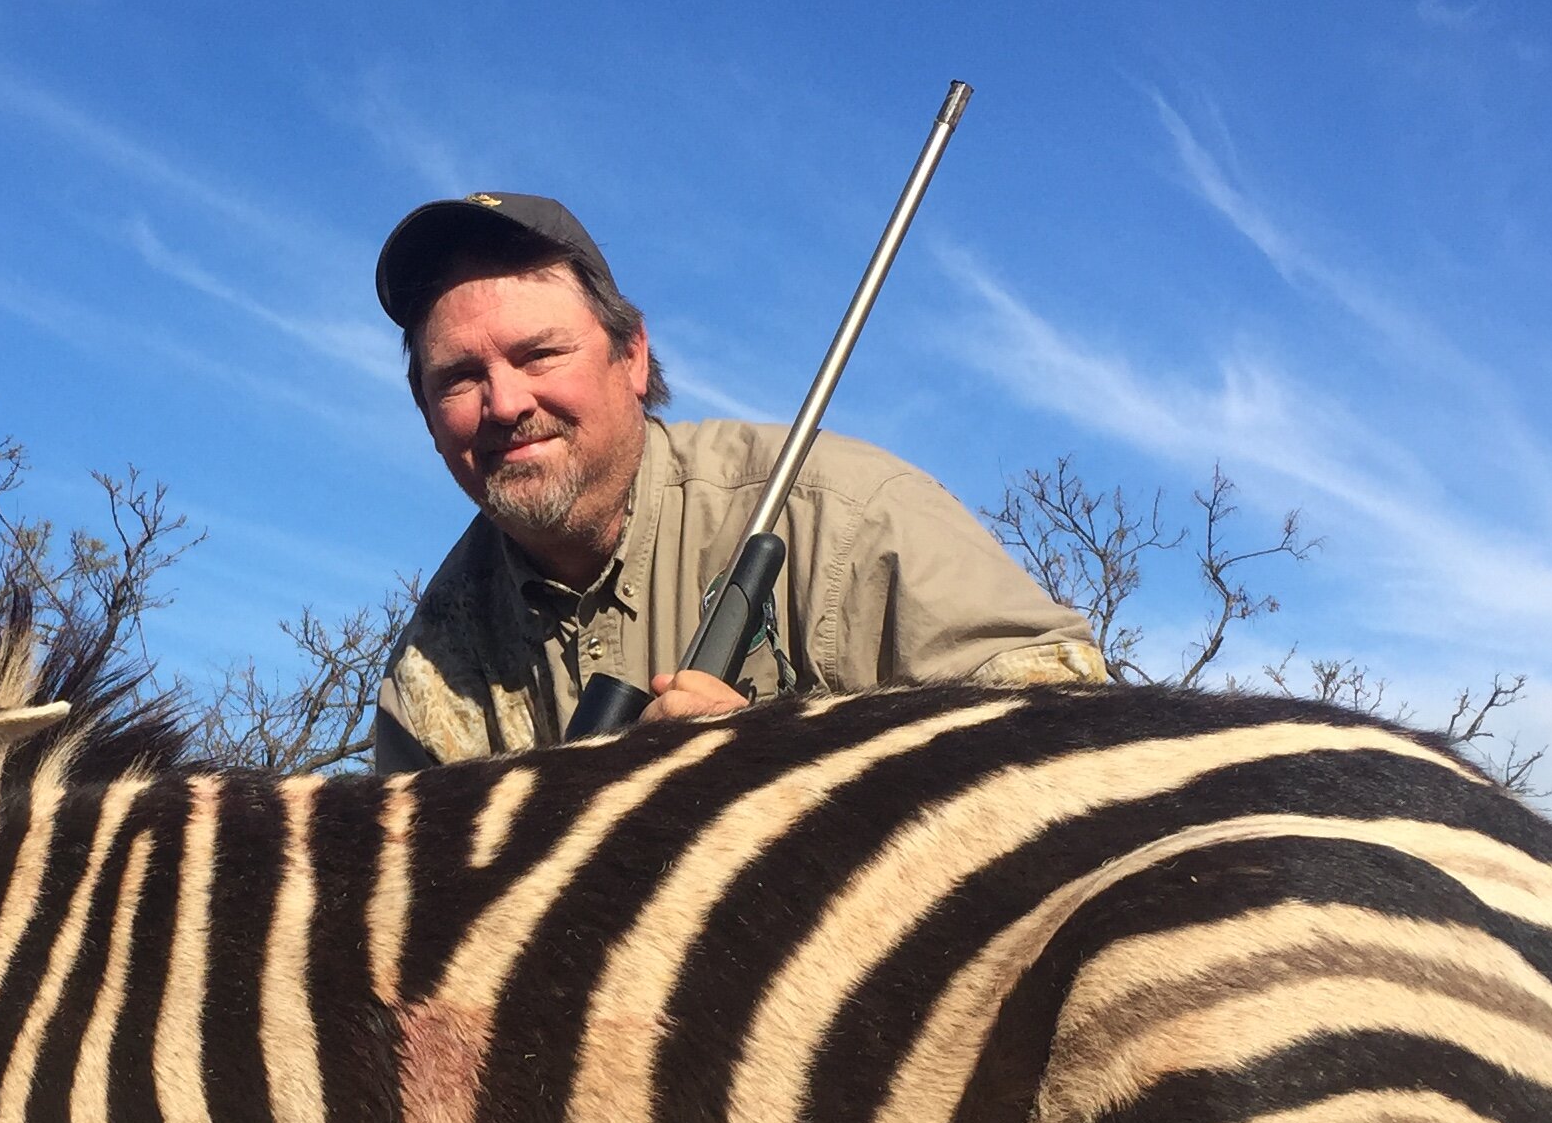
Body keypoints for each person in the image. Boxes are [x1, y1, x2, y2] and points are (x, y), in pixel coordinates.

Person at [367, 189, 1105, 771]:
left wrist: (784, 783)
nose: (506, 404)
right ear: (427, 413)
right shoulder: (430, 677)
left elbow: (1086, 751)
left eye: (539, 355)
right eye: (461, 377)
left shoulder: (851, 517)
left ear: (632, 357)